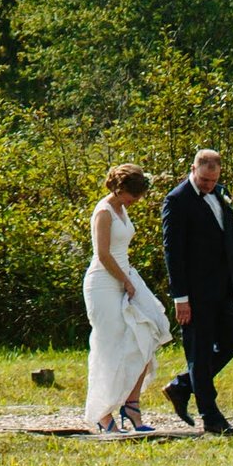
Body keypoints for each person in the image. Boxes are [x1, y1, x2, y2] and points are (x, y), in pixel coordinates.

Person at [160, 148, 233, 434]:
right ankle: (211, 418)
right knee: (199, 351)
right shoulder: (177, 200)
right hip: (195, 294)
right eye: (205, 180)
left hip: (223, 288)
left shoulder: (221, 193)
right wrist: (180, 298)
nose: (209, 186)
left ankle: (183, 385)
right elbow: (173, 253)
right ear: (194, 169)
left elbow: (230, 241)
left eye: (214, 180)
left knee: (232, 342)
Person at [83, 162, 171, 434]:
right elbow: (103, 254)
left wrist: (129, 281)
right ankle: (103, 414)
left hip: (126, 276)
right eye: (133, 195)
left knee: (153, 328)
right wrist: (124, 281)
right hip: (104, 283)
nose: (136, 201)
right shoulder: (104, 211)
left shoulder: (121, 209)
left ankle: (131, 404)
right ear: (120, 189)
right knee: (110, 346)